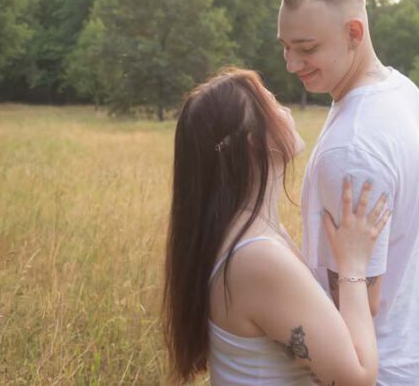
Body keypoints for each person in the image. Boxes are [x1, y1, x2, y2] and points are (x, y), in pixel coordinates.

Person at [161, 67, 391, 386]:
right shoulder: (256, 258)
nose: (286, 110)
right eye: (271, 102)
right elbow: (357, 379)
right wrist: (353, 263)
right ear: (254, 143)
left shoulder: (255, 233)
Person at [278, 0, 419, 385]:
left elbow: (358, 300)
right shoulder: (403, 93)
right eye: (284, 47)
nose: (291, 63)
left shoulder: (353, 147)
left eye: (307, 48)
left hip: (376, 371)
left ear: (354, 33)